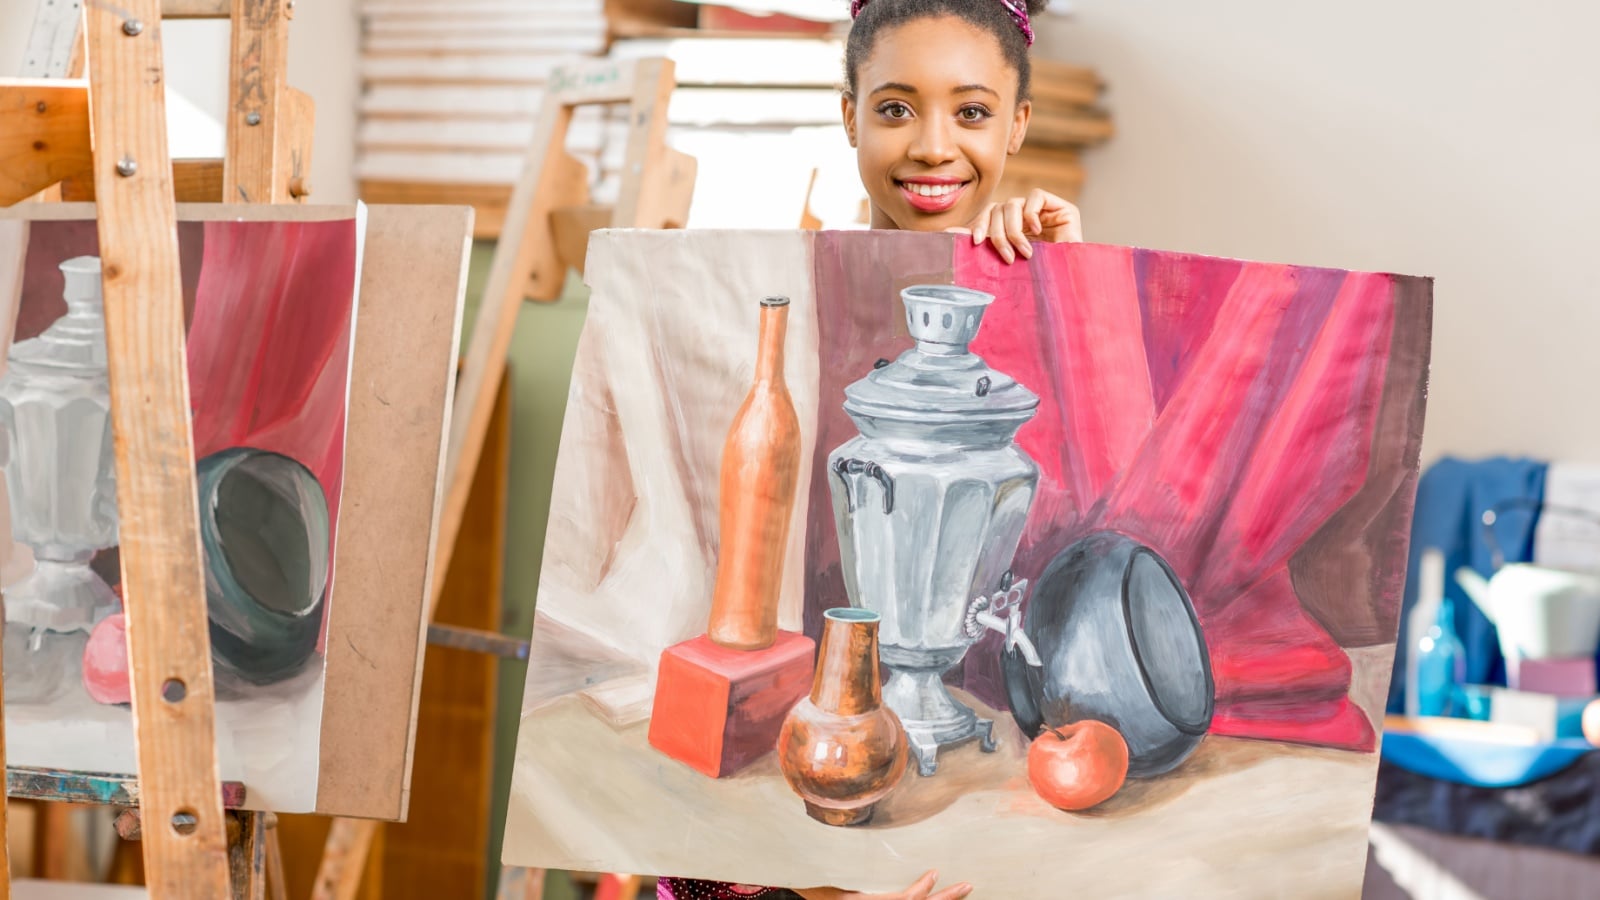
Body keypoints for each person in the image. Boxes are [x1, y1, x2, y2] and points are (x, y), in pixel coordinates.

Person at [660, 0, 1077, 897]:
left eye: (971, 111)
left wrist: (1072, 276)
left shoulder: (1042, 269)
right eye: (895, 109)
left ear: (1017, 124)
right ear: (849, 113)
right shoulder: (777, 290)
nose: (933, 146)